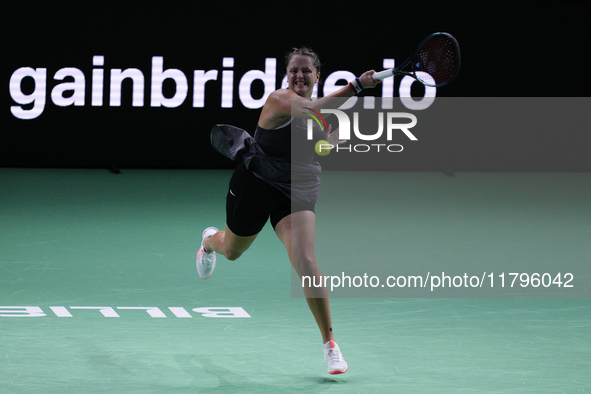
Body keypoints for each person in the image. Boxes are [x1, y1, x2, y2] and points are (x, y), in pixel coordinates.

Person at [197, 47, 380, 374]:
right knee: (232, 251)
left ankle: (330, 345)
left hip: (296, 190)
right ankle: (209, 241)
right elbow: (312, 109)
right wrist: (357, 86)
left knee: (306, 261)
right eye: (294, 70)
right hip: (256, 184)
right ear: (287, 75)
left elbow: (320, 145)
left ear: (317, 75)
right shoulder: (280, 100)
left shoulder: (322, 114)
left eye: (306, 71)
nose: (299, 76)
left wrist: (335, 141)